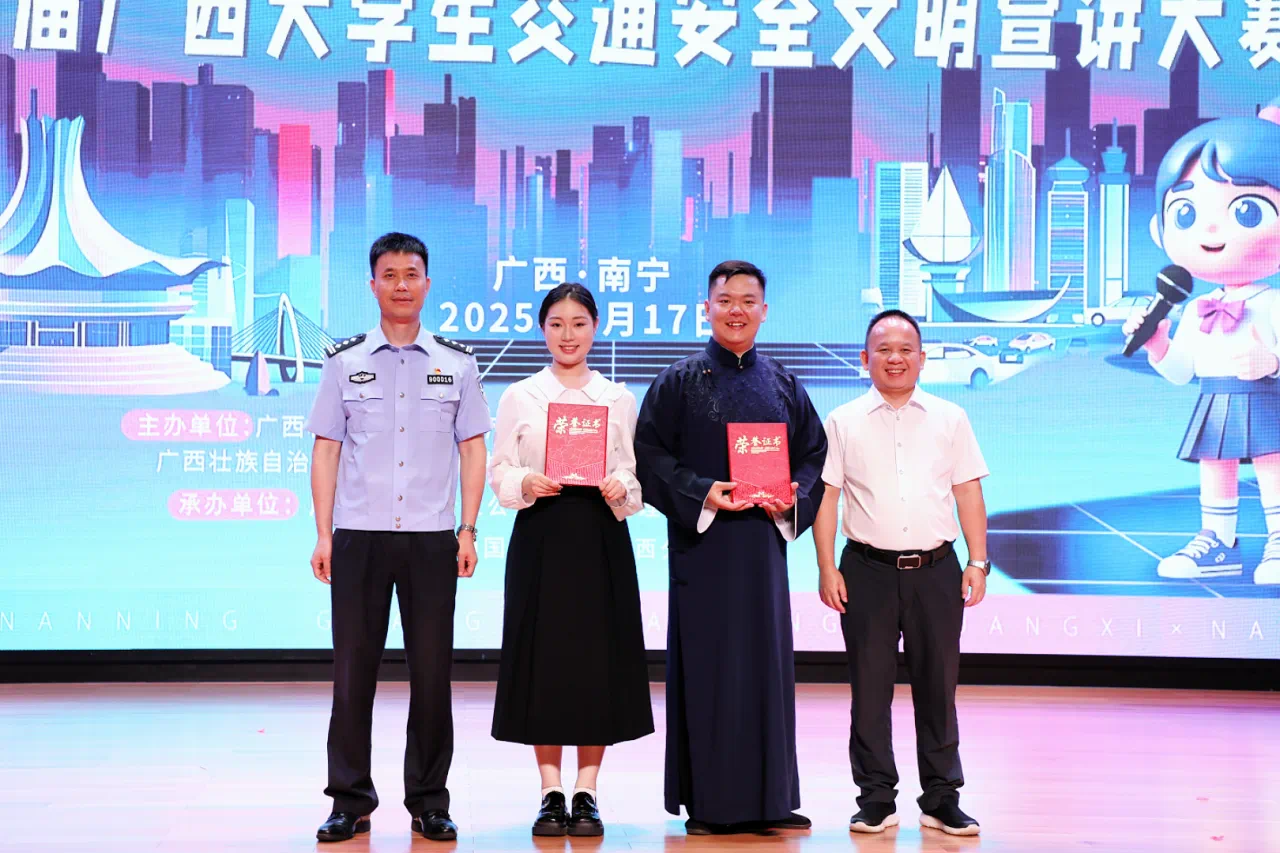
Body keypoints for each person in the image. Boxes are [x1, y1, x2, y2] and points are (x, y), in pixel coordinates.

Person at [306, 232, 490, 843]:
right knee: (352, 675)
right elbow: (326, 449)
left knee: (432, 676)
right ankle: (349, 800)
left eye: (412, 274)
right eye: (390, 275)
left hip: (433, 540)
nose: (402, 284)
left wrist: (468, 529)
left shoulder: (456, 363)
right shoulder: (344, 361)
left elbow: (473, 449)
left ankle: (429, 801)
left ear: (427, 284)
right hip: (359, 537)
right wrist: (323, 534)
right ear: (373, 285)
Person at [633, 260, 827, 834]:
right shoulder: (677, 381)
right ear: (707, 309)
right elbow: (648, 455)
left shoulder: (785, 383)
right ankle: (712, 804)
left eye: (747, 301)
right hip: (703, 550)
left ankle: (771, 799)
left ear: (764, 311)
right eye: (725, 300)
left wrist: (793, 495)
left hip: (764, 548)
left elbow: (814, 456)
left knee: (766, 668)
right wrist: (702, 491)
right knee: (711, 669)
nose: (736, 310)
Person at [813, 309, 989, 837]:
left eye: (906, 349)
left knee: (938, 688)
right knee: (869, 691)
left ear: (922, 358)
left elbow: (968, 491)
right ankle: (875, 799)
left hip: (936, 570)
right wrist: (826, 566)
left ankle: (941, 798)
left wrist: (978, 561)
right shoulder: (842, 420)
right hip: (866, 570)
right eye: (884, 349)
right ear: (865, 358)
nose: (895, 358)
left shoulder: (950, 417)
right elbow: (827, 497)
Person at [487, 283, 654, 837]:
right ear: (543, 330)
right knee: (544, 661)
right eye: (557, 324)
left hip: (600, 536)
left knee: (596, 662)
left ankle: (587, 792)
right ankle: (549, 791)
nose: (568, 335)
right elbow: (499, 470)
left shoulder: (617, 398)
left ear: (595, 328)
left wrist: (621, 485)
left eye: (579, 323)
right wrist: (524, 481)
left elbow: (634, 474)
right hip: (542, 533)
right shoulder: (521, 395)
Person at [1123, 97, 1280, 585]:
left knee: (1272, 464)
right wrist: (1158, 345)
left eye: (1247, 211)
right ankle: (1218, 541)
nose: (1211, 229)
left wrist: (1271, 362)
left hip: (1267, 397)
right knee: (1215, 464)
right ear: (1161, 229)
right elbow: (1181, 371)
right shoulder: (1194, 307)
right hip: (1215, 396)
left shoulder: (1273, 303)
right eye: (1186, 212)